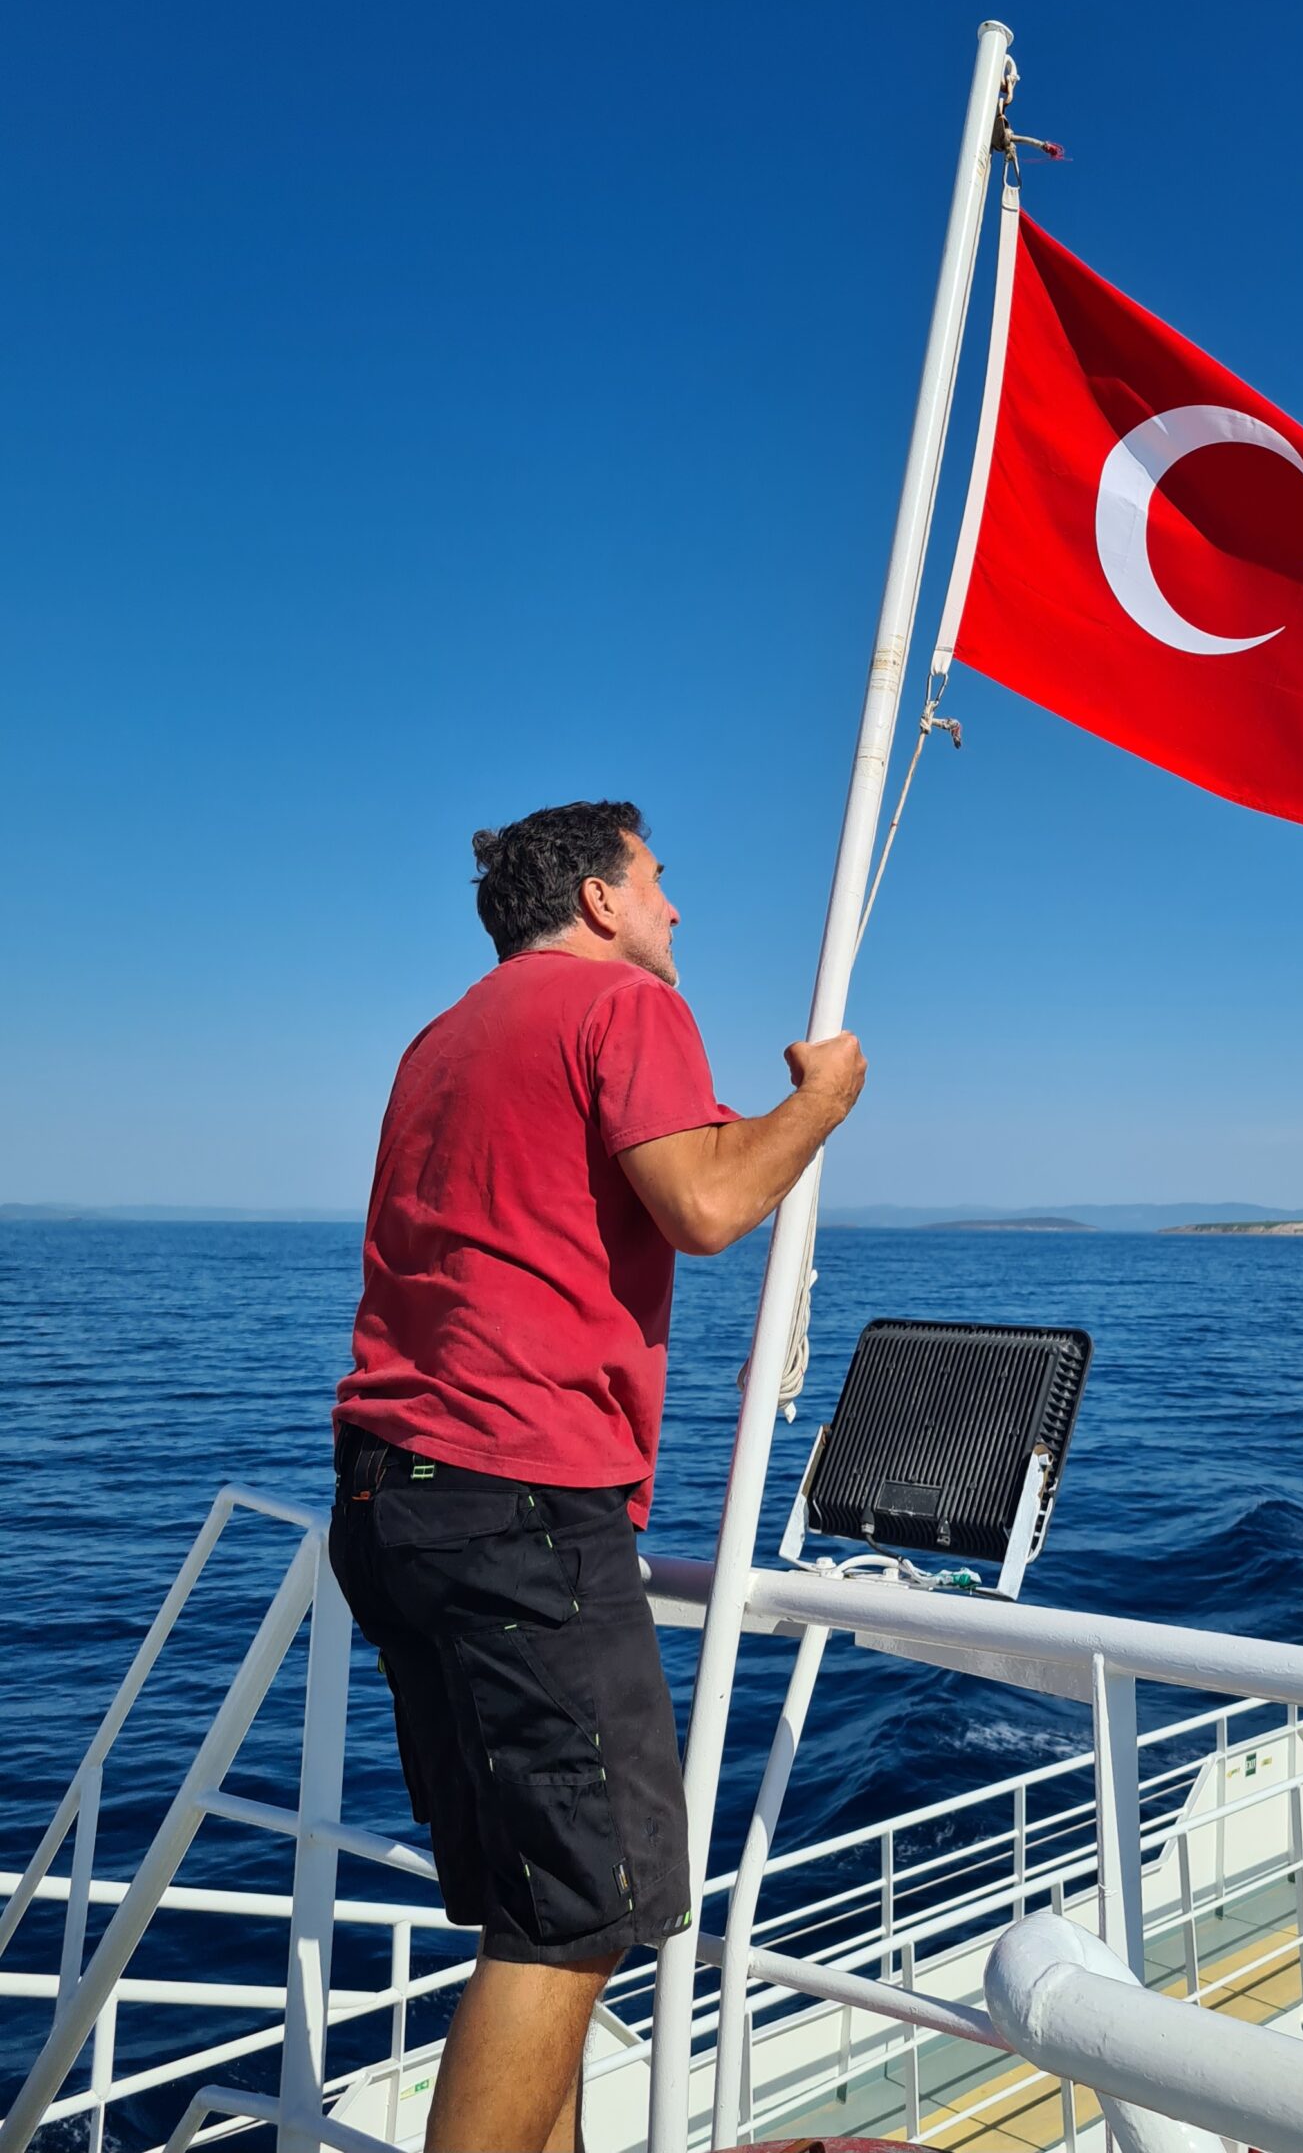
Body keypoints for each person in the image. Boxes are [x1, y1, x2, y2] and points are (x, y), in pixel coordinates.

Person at [329, 800, 866, 2153]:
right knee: (579, 1918)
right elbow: (707, 1205)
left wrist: (757, 1125)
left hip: (394, 1498)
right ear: (599, 897)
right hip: (520, 1502)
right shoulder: (624, 1006)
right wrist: (823, 1101)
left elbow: (627, 1175)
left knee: (538, 1913)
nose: (675, 908)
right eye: (658, 880)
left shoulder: (445, 1040)